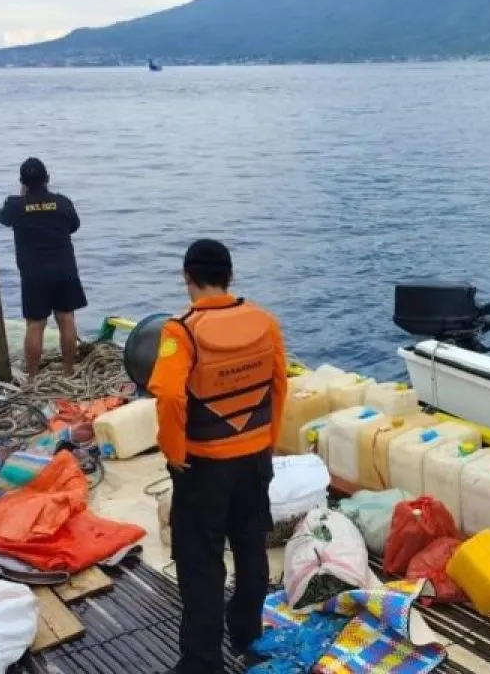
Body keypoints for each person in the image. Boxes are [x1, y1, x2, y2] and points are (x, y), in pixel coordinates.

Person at [147, 239, 288, 674]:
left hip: (204, 465)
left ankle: (202, 662)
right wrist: (267, 439)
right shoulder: (265, 322)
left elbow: (170, 395)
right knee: (251, 549)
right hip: (254, 459)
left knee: (201, 564)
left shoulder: (181, 331)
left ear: (188, 278)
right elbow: (280, 385)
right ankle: (246, 633)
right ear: (230, 276)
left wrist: (175, 451)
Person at [0, 157, 85, 377]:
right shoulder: (62, 203)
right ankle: (68, 370)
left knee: (35, 325)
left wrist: (23, 197)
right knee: (66, 319)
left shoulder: (16, 206)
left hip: (34, 275)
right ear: (47, 179)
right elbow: (74, 225)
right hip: (65, 270)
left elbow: (1, 217)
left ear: (22, 182)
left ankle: (34, 376)